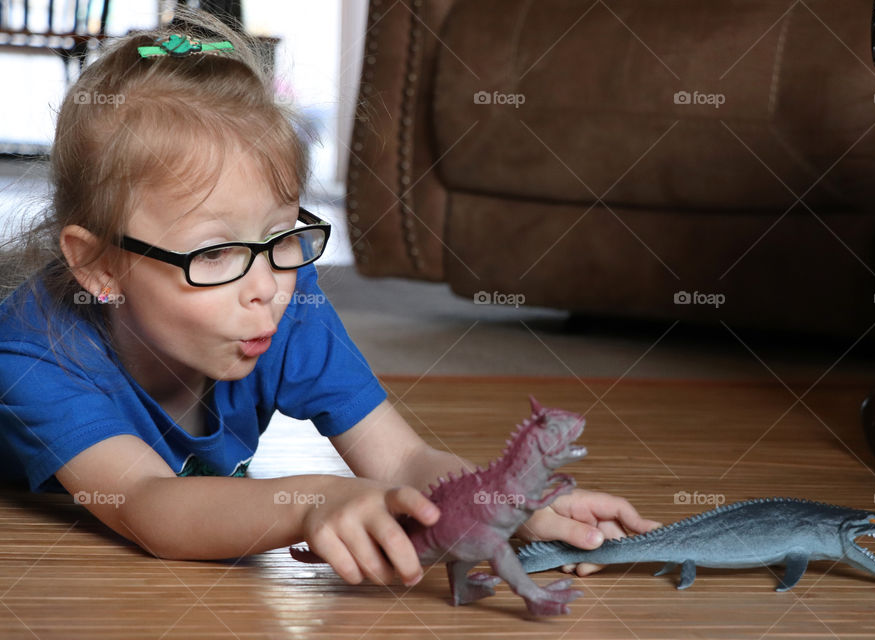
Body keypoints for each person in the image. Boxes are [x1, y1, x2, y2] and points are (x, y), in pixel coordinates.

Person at [0, 10, 659, 588]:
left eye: (282, 234)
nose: (266, 287)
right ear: (99, 265)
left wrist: (518, 511)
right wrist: (312, 500)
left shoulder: (284, 292)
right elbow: (153, 505)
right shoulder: (33, 356)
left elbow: (400, 459)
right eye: (216, 253)